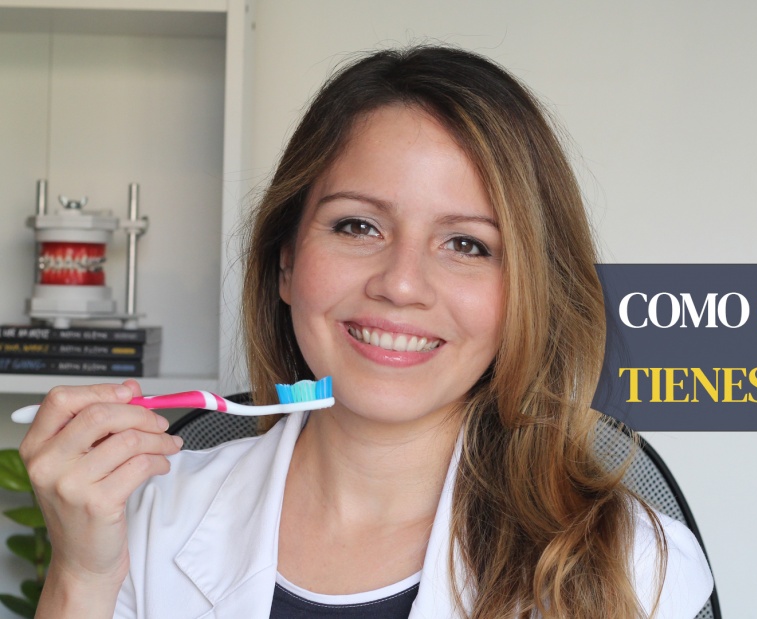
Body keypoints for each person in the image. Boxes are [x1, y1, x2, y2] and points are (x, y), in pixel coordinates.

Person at [19, 45, 714, 618]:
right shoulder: (147, 517)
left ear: (527, 294)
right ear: (287, 261)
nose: (401, 284)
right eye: (358, 226)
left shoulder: (635, 565)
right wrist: (82, 576)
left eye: (467, 244)